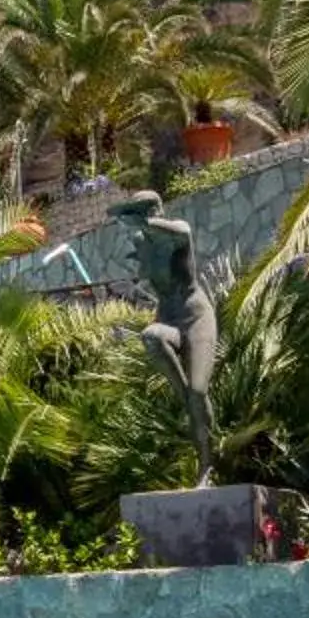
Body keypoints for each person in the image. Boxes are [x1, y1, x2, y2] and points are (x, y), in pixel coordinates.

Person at [108, 190, 217, 486]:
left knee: (198, 391)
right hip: (167, 318)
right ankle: (190, 407)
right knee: (150, 336)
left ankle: (207, 465)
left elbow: (181, 231)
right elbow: (143, 267)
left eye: (143, 213)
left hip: (196, 318)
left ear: (155, 212)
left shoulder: (178, 234)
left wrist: (143, 223)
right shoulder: (142, 242)